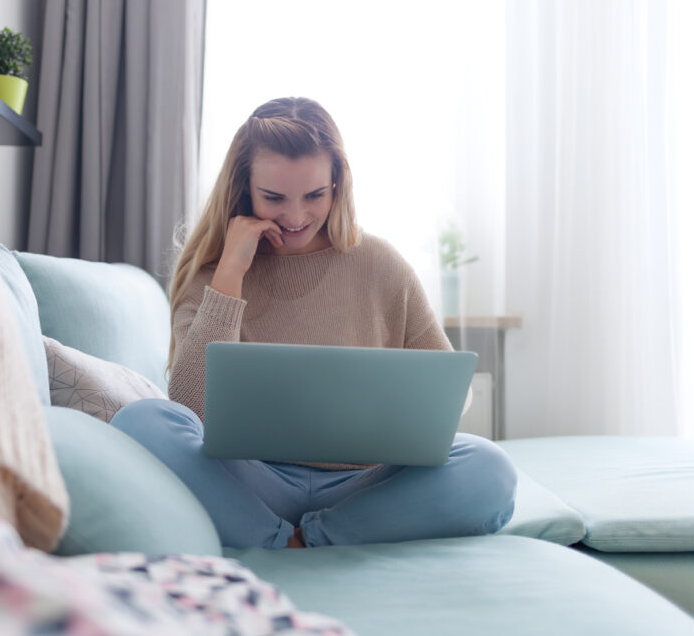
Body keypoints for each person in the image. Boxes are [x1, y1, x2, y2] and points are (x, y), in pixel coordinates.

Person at [111, 97, 516, 549]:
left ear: (338, 184)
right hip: (248, 483)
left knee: (490, 469)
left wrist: (397, 417)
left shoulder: (381, 264)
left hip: (362, 488)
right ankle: (275, 539)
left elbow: (449, 396)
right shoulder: (213, 272)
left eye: (314, 195)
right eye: (274, 198)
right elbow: (191, 405)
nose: (296, 216)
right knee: (140, 423)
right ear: (243, 188)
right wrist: (229, 277)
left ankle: (313, 540)